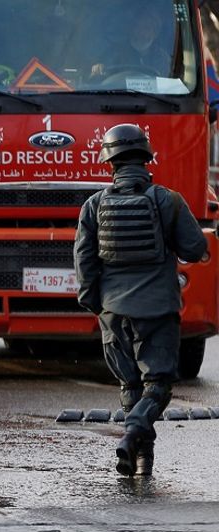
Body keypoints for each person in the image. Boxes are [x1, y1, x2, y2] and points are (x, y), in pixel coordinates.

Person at [73, 124, 207, 477]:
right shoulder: (168, 200)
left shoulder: (93, 205)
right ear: (146, 157)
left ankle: (141, 459)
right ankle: (133, 434)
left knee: (130, 385)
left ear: (109, 162)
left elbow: (84, 263)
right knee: (157, 386)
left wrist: (97, 305)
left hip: (113, 310)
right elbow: (195, 249)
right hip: (158, 310)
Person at [90, 9, 171, 79]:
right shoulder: (115, 52)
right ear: (131, 28)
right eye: (137, 26)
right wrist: (98, 68)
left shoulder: (162, 58)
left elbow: (166, 84)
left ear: (155, 33)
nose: (141, 31)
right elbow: (98, 72)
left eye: (146, 28)